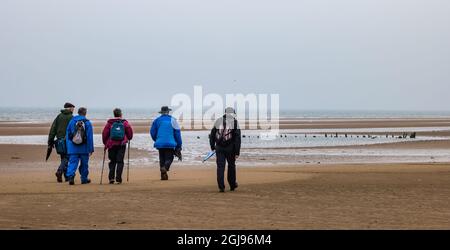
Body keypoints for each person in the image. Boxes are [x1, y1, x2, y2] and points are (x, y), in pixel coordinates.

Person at [209, 107, 241, 192]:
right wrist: (237, 152)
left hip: (219, 148)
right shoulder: (234, 122)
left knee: (220, 167)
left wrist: (212, 147)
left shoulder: (218, 121)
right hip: (230, 148)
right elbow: (237, 138)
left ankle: (221, 187)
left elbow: (212, 134)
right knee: (231, 166)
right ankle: (232, 185)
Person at [102, 108, 134, 184]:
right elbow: (130, 133)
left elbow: (104, 134)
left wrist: (105, 143)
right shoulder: (125, 123)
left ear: (114, 114)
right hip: (121, 144)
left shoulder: (110, 123)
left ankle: (111, 178)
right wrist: (129, 138)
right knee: (120, 161)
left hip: (111, 144)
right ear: (121, 114)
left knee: (112, 161)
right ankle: (118, 178)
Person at [150, 106, 182, 180]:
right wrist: (179, 145)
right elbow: (177, 134)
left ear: (161, 112)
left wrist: (157, 140)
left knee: (162, 158)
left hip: (160, 143)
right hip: (170, 143)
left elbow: (152, 132)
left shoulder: (157, 120)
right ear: (168, 112)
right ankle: (165, 168)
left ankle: (163, 175)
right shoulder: (173, 120)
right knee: (169, 158)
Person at [65, 107, 94, 185]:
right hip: (84, 148)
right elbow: (89, 137)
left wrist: (68, 147)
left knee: (72, 163)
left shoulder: (71, 122)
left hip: (73, 147)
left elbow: (68, 135)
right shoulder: (87, 123)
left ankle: (71, 176)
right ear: (85, 113)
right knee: (84, 164)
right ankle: (84, 179)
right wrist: (91, 149)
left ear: (78, 112)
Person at [47, 102, 75, 182]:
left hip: (59, 141)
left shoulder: (59, 117)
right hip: (68, 141)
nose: (73, 110)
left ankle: (65, 176)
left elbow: (53, 129)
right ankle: (59, 171)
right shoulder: (72, 117)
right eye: (73, 108)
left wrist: (50, 141)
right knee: (67, 157)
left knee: (63, 157)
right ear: (69, 108)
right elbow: (73, 130)